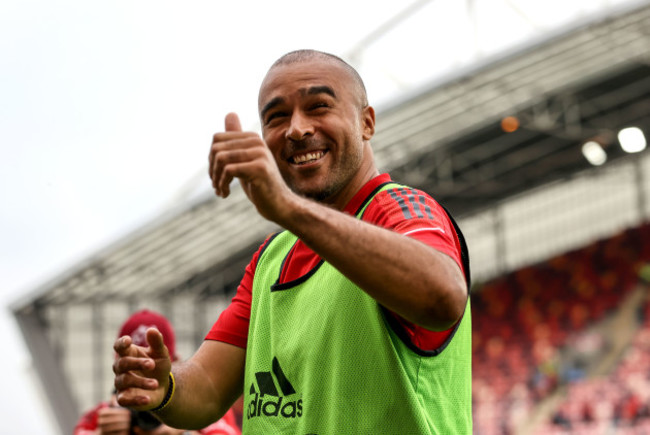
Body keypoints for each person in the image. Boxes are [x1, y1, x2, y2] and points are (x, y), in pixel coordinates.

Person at [113, 49, 472, 434]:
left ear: (366, 123)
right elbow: (207, 388)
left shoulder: (402, 209)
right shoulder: (271, 259)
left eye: (318, 106)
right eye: (277, 116)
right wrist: (163, 385)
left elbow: (443, 296)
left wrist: (288, 209)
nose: (296, 129)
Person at [75, 309, 241, 435]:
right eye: (135, 366)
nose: (144, 381)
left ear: (177, 362)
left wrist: (184, 427)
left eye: (153, 367)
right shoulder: (103, 420)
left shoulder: (204, 411)